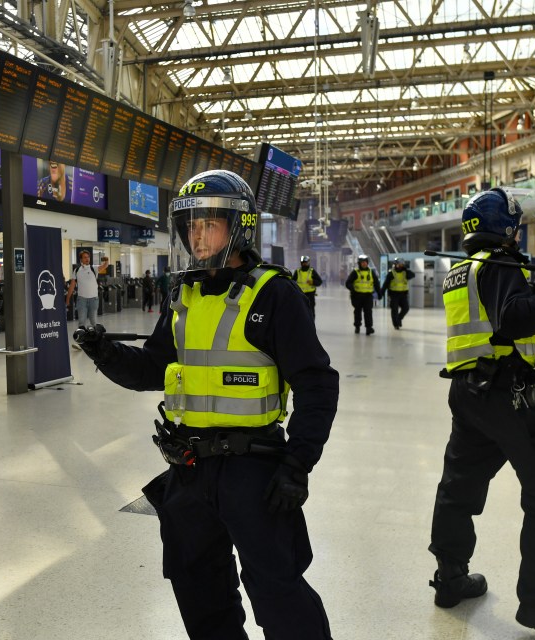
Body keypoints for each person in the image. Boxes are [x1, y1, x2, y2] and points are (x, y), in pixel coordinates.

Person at [75, 169, 338, 639]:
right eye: (190, 225)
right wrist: (106, 354)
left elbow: (317, 384)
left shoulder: (274, 294)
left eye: (208, 223)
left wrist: (298, 462)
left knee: (278, 590)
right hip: (189, 469)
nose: (197, 235)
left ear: (239, 226)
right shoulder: (183, 295)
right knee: (197, 587)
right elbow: (153, 369)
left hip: (254, 471)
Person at [428, 188, 535, 638]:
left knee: (458, 487)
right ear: (506, 227)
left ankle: (449, 577)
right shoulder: (500, 265)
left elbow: (501, 305)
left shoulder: (467, 269)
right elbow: (516, 318)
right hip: (508, 394)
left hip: (469, 393)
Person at [66, 251, 100, 346]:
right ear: (81, 259)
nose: (87, 259)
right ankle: (81, 343)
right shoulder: (77, 270)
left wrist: (106, 262)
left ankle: (97, 342)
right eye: (85, 257)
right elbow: (72, 286)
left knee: (94, 321)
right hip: (82, 300)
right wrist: (68, 299)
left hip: (93, 299)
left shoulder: (94, 268)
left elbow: (104, 267)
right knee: (82, 322)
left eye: (88, 257)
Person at [345, 254, 381, 334]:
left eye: (365, 262)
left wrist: (379, 293)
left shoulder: (371, 272)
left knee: (368, 312)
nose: (364, 264)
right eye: (362, 262)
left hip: (368, 296)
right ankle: (357, 326)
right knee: (357, 312)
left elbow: (376, 283)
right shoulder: (355, 272)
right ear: (359, 263)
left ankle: (369, 328)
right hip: (357, 296)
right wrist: (353, 289)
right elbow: (348, 283)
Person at [382, 258, 415, 329]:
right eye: (398, 264)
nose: (400, 266)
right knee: (394, 310)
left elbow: (412, 275)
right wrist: (381, 293)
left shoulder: (405, 273)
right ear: (395, 264)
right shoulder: (391, 273)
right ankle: (396, 324)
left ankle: (399, 318)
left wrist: (406, 269)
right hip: (394, 295)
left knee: (406, 308)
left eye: (401, 264)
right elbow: (385, 284)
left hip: (403, 294)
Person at [291, 255, 322, 319]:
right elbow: (292, 282)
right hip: (300, 294)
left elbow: (319, 281)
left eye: (306, 262)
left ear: (308, 262)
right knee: (301, 310)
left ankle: (311, 325)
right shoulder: (297, 271)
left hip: (310, 295)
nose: (304, 264)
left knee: (311, 311)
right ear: (301, 263)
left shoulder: (312, 271)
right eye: (303, 262)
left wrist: (313, 282)